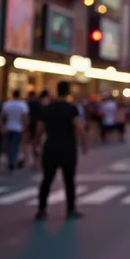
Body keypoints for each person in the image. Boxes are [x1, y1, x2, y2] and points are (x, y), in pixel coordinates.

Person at [35, 80, 88, 221]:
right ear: (69, 92)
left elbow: (39, 129)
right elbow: (79, 127)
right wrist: (84, 144)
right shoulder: (72, 108)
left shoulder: (47, 108)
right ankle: (70, 209)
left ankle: (41, 209)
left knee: (47, 179)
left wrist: (35, 144)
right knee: (69, 180)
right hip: (68, 147)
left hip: (50, 146)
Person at [1, 89, 29, 171]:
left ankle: (10, 159)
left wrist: (2, 126)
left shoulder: (7, 104)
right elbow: (25, 118)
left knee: (9, 145)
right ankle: (12, 161)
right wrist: (26, 128)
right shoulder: (22, 105)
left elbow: (1, 117)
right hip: (18, 128)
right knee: (15, 146)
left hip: (8, 127)